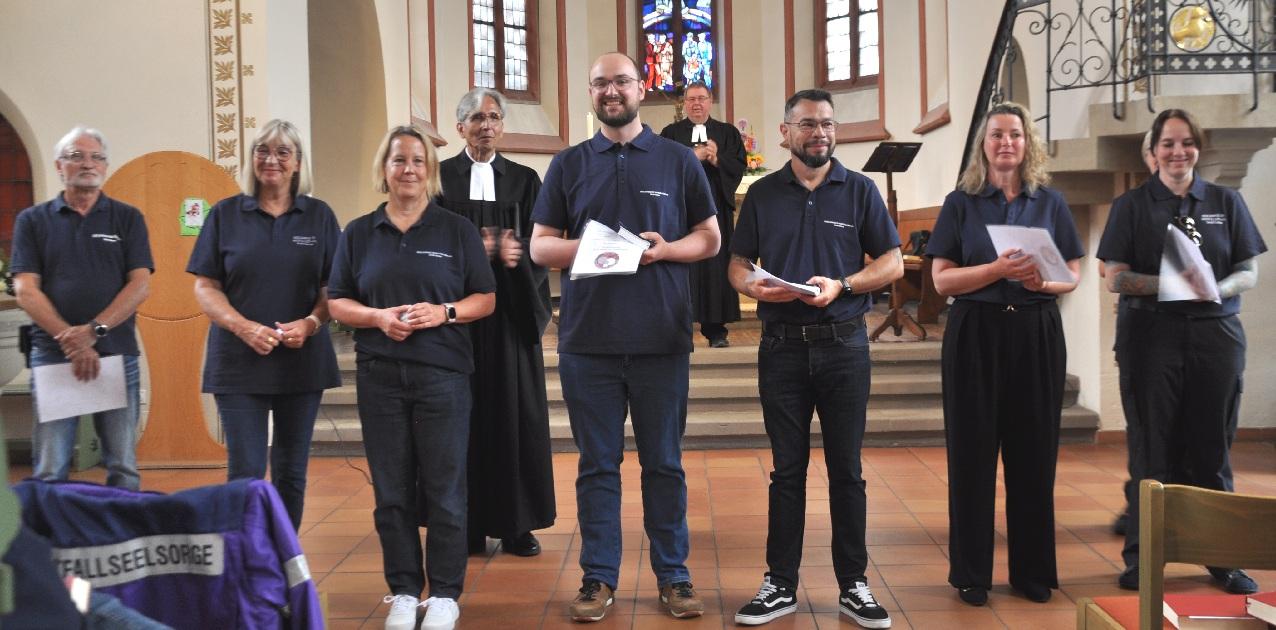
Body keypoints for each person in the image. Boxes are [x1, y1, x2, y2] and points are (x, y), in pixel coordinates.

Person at [529, 52, 720, 623]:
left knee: (664, 462)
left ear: (642, 88)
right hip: (589, 339)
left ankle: (674, 575)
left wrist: (662, 250)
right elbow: (541, 247)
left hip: (661, 336)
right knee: (596, 465)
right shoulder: (566, 164)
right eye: (600, 84)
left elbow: (708, 238)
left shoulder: (677, 160)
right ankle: (598, 577)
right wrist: (603, 251)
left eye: (621, 82)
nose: (611, 92)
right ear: (590, 93)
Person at [727, 89, 903, 629]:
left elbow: (893, 262)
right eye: (807, 124)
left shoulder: (861, 190)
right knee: (787, 472)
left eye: (827, 124)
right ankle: (780, 584)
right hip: (781, 348)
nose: (819, 133)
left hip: (845, 344)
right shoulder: (761, 195)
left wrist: (845, 284)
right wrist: (758, 289)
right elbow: (737, 264)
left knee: (847, 472)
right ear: (786, 133)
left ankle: (854, 584)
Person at [327, 124, 496, 630]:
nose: (408, 169)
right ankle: (403, 590)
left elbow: (484, 298)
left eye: (418, 161)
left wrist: (443, 312)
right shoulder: (358, 233)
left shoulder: (456, 230)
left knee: (445, 488)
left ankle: (444, 593)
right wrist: (378, 318)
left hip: (443, 376)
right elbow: (337, 300)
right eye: (399, 160)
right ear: (384, 169)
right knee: (392, 490)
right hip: (379, 375)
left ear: (430, 171)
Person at [1098, 108, 1266, 594]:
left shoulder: (1225, 201)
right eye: (1168, 143)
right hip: (1151, 337)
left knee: (1212, 449)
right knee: (1152, 450)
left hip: (1216, 336)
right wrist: (1173, 285)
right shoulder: (1130, 206)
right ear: (1152, 153)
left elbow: (1248, 271)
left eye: (1187, 142)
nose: (1178, 151)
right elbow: (1116, 277)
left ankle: (1222, 558)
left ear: (1198, 147)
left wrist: (1213, 285)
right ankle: (1142, 558)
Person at [926, 101, 1083, 606]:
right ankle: (971, 574)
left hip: (1035, 332)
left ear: (1027, 142)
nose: (1006, 143)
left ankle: (1032, 572)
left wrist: (1046, 280)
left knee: (1034, 454)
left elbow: (1072, 275)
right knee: (971, 455)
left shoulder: (1050, 203)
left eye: (1014, 134)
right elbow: (942, 278)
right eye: (996, 135)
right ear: (984, 145)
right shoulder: (961, 202)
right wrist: (994, 270)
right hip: (976, 332)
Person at [186, 119, 342, 531]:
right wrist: (242, 327)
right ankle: (245, 561)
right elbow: (205, 287)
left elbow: (334, 288)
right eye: (262, 151)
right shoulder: (225, 214)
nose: (271, 159)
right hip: (238, 363)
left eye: (282, 152)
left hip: (300, 362)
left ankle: (285, 561)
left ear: (297, 163)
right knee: (246, 473)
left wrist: (310, 322)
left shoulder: (319, 216)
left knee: (292, 473)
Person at [438, 87, 555, 557]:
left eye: (493, 117)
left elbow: (542, 244)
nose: (486, 125)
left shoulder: (525, 180)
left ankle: (515, 524)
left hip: (508, 317)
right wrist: (479, 251)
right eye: (476, 118)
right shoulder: (440, 179)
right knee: (458, 420)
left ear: (502, 125)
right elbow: (431, 243)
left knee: (512, 418)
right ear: (459, 126)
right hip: (458, 321)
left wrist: (516, 252)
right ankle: (464, 525)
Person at [11, 126, 153, 490]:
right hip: (54, 356)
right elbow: (26, 289)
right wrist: (68, 339)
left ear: (105, 167)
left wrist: (92, 333)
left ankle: (120, 544)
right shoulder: (33, 220)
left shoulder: (128, 218)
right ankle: (52, 547)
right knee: (50, 468)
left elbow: (140, 284)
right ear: (60, 166)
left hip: (115, 355)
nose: (87, 163)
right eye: (76, 156)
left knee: (122, 466)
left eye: (96, 157)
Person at [660, 81, 745, 347]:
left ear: (710, 101)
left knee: (716, 265)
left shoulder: (727, 133)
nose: (696, 104)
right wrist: (692, 157)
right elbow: (661, 167)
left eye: (702, 98)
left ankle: (716, 330)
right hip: (680, 211)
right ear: (684, 103)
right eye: (691, 99)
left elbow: (738, 164)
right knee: (681, 264)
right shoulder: (670, 133)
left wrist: (718, 160)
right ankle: (678, 325)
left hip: (716, 208)